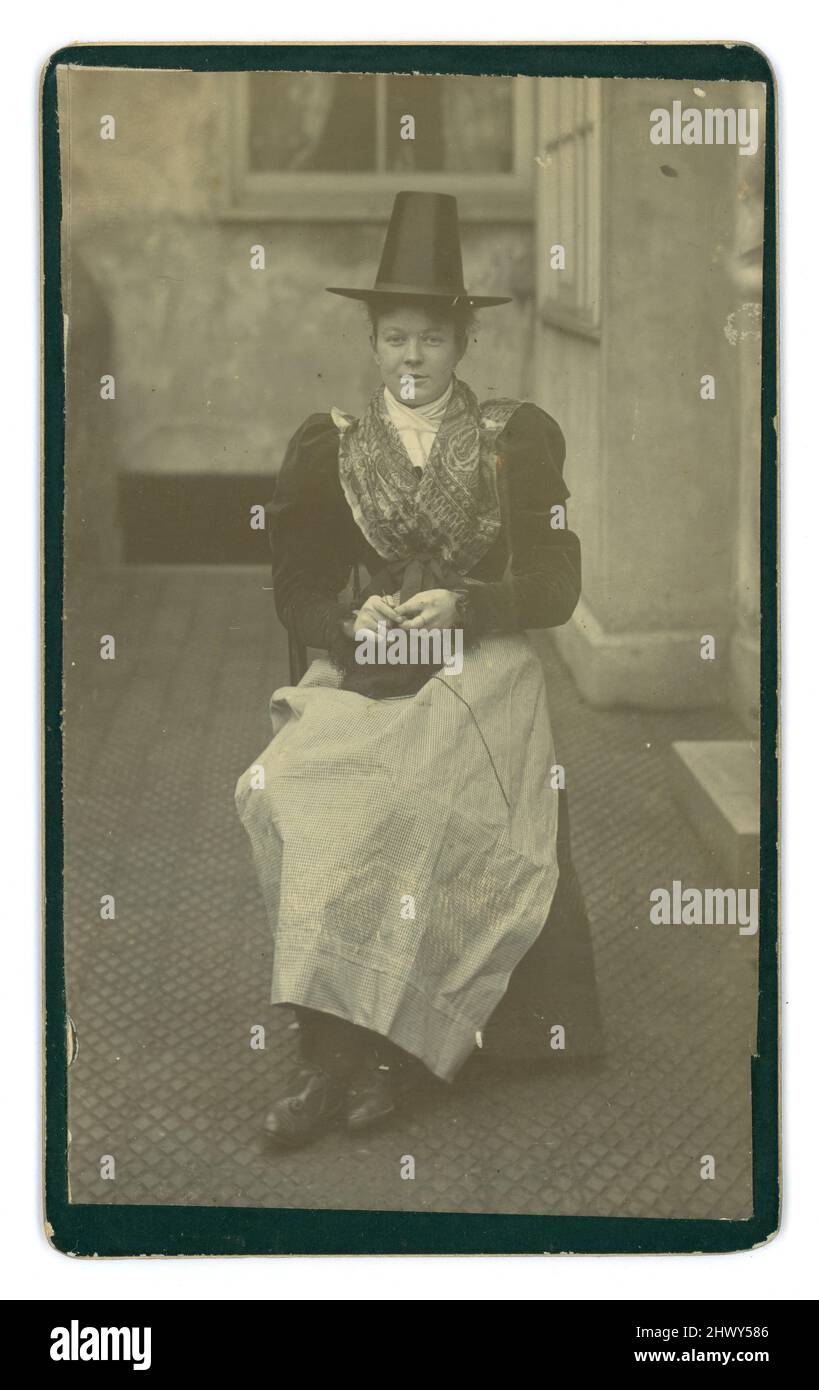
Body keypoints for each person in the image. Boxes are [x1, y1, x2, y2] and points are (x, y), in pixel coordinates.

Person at [235, 192, 602, 1148]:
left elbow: (558, 584)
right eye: (393, 338)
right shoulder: (330, 448)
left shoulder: (512, 441)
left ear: (460, 343)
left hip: (480, 665)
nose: (410, 359)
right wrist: (346, 618)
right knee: (290, 787)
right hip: (373, 663)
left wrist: (469, 604)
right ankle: (339, 1047)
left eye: (429, 341)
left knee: (411, 800)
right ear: (369, 341)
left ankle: (378, 1057)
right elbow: (296, 590)